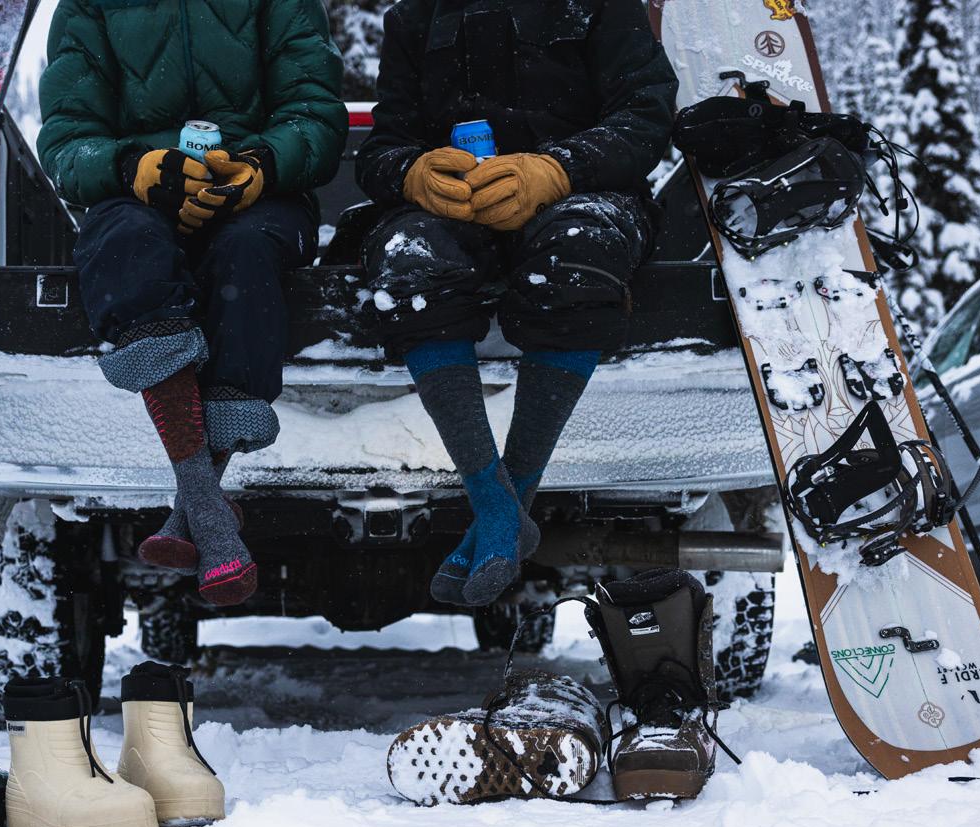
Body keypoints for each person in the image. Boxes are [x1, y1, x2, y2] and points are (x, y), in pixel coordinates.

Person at [356, 0, 678, 607]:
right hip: (454, 212)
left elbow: (646, 115)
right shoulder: (414, 17)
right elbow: (383, 149)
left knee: (578, 256)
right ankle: (497, 508)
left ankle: (505, 509)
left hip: (582, 197)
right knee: (410, 261)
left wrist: (557, 169)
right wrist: (415, 173)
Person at [38, 0, 347, 606]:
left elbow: (314, 112)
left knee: (247, 253)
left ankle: (195, 510)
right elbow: (69, 136)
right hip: (136, 197)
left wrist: (260, 166)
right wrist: (133, 166)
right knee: (126, 244)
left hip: (265, 196)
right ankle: (208, 511)